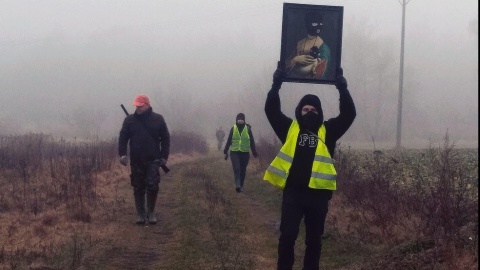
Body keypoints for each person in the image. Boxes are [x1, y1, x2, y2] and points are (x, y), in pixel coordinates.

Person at [264, 64, 356, 270]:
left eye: (314, 110)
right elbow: (271, 110)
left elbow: (349, 115)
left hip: (318, 196)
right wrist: (276, 84)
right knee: (287, 237)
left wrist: (342, 88)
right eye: (305, 109)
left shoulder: (329, 130)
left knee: (314, 242)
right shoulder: (289, 128)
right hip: (293, 194)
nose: (309, 112)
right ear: (299, 111)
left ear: (320, 112)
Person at [118, 94, 170, 225]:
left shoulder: (158, 119)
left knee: (152, 185)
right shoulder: (129, 120)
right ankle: (140, 214)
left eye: (140, 106)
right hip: (136, 160)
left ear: (147, 105)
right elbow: (123, 138)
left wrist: (164, 157)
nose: (138, 108)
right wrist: (122, 154)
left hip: (153, 159)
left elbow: (165, 139)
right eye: (136, 106)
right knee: (138, 186)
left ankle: (151, 213)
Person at [285, 11, 331, 80]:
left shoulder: (324, 48)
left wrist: (314, 65)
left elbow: (320, 73)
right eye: (315, 23)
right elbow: (286, 66)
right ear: (307, 24)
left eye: (320, 23)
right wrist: (296, 59)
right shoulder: (300, 43)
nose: (318, 26)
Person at [223, 113, 259, 193]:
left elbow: (252, 142)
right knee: (237, 169)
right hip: (234, 153)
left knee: (243, 170)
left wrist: (254, 152)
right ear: (236, 120)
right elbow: (229, 140)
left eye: (241, 119)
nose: (240, 120)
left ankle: (240, 186)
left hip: (245, 153)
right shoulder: (233, 128)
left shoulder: (248, 129)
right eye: (238, 119)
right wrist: (225, 150)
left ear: (244, 120)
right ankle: (238, 185)